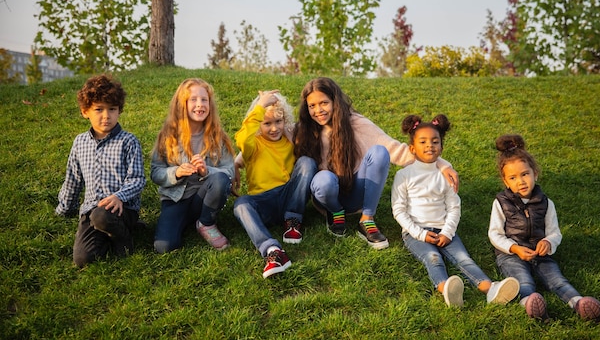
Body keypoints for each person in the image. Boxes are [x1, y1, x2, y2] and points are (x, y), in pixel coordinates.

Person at [293, 77, 458, 250]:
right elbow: (273, 133)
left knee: (380, 152)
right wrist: (262, 106)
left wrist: (441, 164)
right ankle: (335, 213)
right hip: (326, 196)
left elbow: (395, 149)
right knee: (324, 179)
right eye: (312, 106)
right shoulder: (303, 130)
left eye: (324, 103)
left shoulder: (356, 123)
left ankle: (367, 219)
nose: (318, 110)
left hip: (355, 192)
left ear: (335, 101)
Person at [391, 114, 519, 307]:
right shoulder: (404, 175)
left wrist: (448, 232)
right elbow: (399, 210)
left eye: (435, 141)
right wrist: (421, 234)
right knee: (432, 258)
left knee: (464, 259)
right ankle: (446, 290)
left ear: (441, 147)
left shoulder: (445, 175)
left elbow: (454, 207)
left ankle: (490, 289)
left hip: (444, 229)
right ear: (412, 148)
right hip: (415, 233)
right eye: (423, 141)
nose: (429, 146)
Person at [488, 134, 600, 322]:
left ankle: (578, 302)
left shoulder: (546, 203)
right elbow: (494, 233)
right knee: (523, 280)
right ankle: (530, 302)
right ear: (506, 182)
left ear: (535, 173)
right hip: (511, 254)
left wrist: (548, 242)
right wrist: (514, 248)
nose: (521, 181)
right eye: (513, 177)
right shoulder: (501, 203)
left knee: (556, 279)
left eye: (525, 174)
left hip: (540, 253)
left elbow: (555, 232)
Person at [56, 74, 146, 268]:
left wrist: (120, 196)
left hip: (123, 208)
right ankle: (107, 235)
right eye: (99, 109)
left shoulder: (128, 141)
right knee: (83, 259)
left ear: (119, 111)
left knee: (102, 215)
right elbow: (73, 178)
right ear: (85, 111)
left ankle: (122, 235)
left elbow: (138, 179)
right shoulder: (80, 143)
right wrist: (64, 208)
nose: (106, 116)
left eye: (112, 109)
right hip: (91, 210)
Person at [233, 90, 317, 278]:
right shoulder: (253, 145)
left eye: (278, 122)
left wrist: (292, 136)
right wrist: (260, 106)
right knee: (240, 204)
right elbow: (242, 139)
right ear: (258, 123)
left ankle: (293, 222)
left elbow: (307, 136)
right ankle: (272, 250)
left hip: (289, 197)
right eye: (267, 123)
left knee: (307, 162)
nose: (274, 128)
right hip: (263, 202)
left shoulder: (289, 140)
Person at [150, 78, 235, 253]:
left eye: (204, 100)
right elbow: (155, 172)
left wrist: (207, 171)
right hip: (175, 200)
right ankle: (185, 221)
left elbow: (230, 172)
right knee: (164, 247)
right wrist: (177, 172)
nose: (200, 105)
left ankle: (206, 223)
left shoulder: (217, 136)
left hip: (203, 199)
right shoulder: (168, 136)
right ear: (182, 104)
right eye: (193, 100)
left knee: (220, 178)